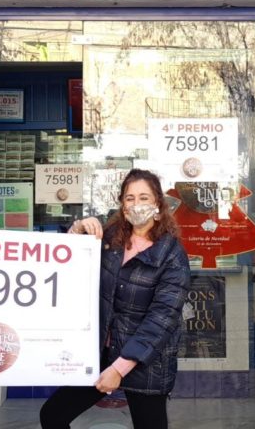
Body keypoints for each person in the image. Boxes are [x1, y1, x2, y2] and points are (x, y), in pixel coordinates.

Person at [40, 169, 190, 429]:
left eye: (144, 198)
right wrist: (76, 231)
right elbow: (67, 265)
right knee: (53, 416)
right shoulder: (110, 240)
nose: (137, 205)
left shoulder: (172, 254)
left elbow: (162, 319)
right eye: (130, 198)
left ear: (157, 204)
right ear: (122, 204)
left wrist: (119, 369)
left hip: (145, 364)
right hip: (102, 354)